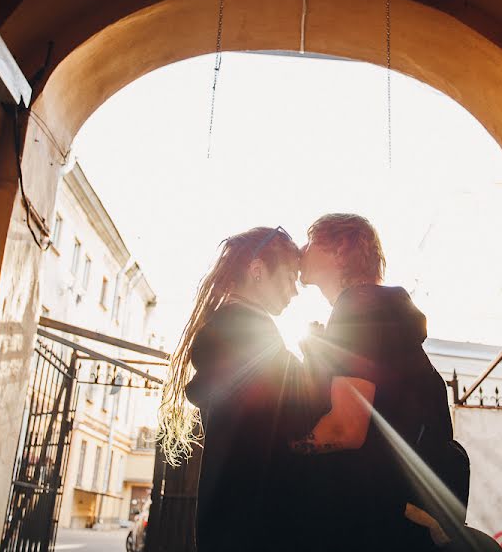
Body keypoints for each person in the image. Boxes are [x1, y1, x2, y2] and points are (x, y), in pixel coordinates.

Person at [293, 213, 456, 551]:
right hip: (403, 516)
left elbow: (345, 429)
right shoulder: (381, 311)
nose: (300, 250)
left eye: (310, 241)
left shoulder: (358, 305)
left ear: (340, 249)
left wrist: (280, 452)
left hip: (376, 522)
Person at [158, 226, 313, 552]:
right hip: (256, 528)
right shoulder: (250, 334)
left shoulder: (230, 329)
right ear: (257, 271)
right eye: (290, 277)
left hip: (232, 524)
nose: (295, 291)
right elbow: (302, 406)